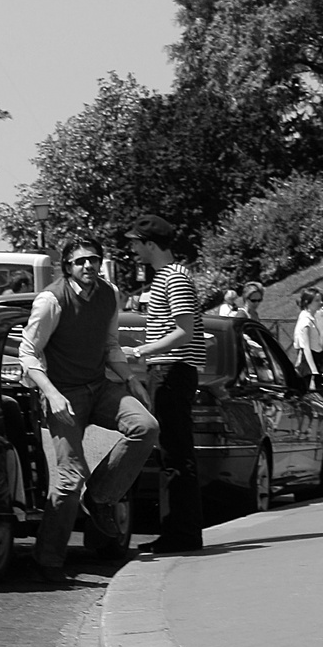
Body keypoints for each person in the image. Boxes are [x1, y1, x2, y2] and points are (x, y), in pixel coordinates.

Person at [19, 236, 159, 582]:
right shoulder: (52, 300)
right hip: (63, 394)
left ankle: (100, 498)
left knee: (146, 426)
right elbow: (28, 353)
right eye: (80, 261)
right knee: (69, 479)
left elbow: (110, 344)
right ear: (67, 267)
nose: (88, 266)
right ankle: (48, 560)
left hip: (99, 387)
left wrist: (130, 380)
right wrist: (51, 393)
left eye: (93, 260)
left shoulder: (109, 294)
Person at [125, 215, 206, 553]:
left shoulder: (174, 279)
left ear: (151, 244)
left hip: (173, 371)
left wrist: (142, 351)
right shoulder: (167, 277)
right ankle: (178, 531)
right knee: (173, 454)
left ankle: (182, 535)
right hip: (169, 370)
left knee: (176, 454)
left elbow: (184, 331)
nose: (132, 249)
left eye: (136, 242)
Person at [292, 286, 323, 411]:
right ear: (307, 303)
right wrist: (314, 371)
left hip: (316, 359)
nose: (321, 303)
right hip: (310, 363)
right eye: (317, 300)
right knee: (319, 402)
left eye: (320, 300)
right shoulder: (306, 321)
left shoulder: (310, 318)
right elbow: (306, 348)